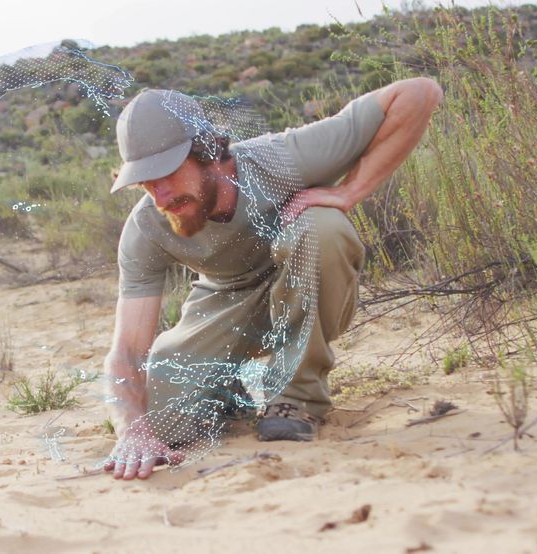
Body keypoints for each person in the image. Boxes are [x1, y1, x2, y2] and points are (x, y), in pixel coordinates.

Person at [102, 78, 443, 480]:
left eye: (167, 175)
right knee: (159, 419)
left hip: (304, 280)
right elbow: (126, 351)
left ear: (209, 151)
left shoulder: (280, 159)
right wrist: (133, 431)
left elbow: (421, 93)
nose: (159, 197)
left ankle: (297, 397)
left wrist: (353, 190)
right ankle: (225, 392)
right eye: (145, 181)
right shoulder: (146, 226)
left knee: (323, 224)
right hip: (225, 303)